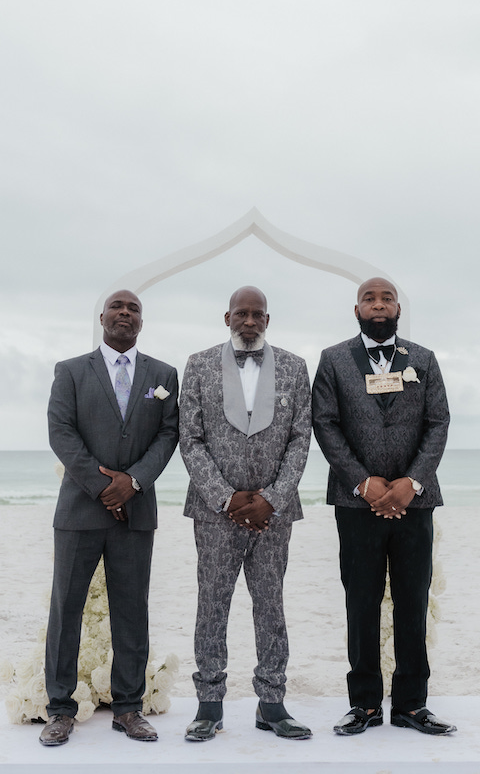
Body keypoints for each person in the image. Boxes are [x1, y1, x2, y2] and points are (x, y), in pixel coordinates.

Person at [312, 277, 456, 737]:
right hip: (357, 506)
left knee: (412, 602)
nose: (378, 304)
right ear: (357, 310)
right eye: (369, 299)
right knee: (361, 603)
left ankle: (412, 705)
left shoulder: (424, 360)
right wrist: (363, 483)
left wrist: (410, 484)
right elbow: (325, 424)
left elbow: (438, 423)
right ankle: (365, 705)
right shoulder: (333, 360)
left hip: (415, 504)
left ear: (398, 309)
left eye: (387, 298)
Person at [39, 289, 179, 746]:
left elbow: (167, 435)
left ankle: (128, 708)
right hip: (79, 512)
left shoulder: (163, 375)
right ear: (102, 317)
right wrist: (102, 486)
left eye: (133, 308)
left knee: (132, 611)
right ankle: (59, 709)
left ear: (142, 321)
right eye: (117, 307)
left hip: (135, 514)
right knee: (67, 610)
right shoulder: (72, 371)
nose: (124, 312)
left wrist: (133, 482)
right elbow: (61, 431)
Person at [179, 285, 312, 741]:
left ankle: (272, 706)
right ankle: (208, 707)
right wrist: (224, 496)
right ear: (227, 317)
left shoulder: (295, 368)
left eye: (258, 314)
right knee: (212, 606)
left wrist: (271, 497)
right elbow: (190, 438)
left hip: (274, 514)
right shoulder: (197, 365)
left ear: (268, 320)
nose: (249, 321)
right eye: (242, 313)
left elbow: (300, 439)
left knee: (271, 606)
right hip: (216, 514)